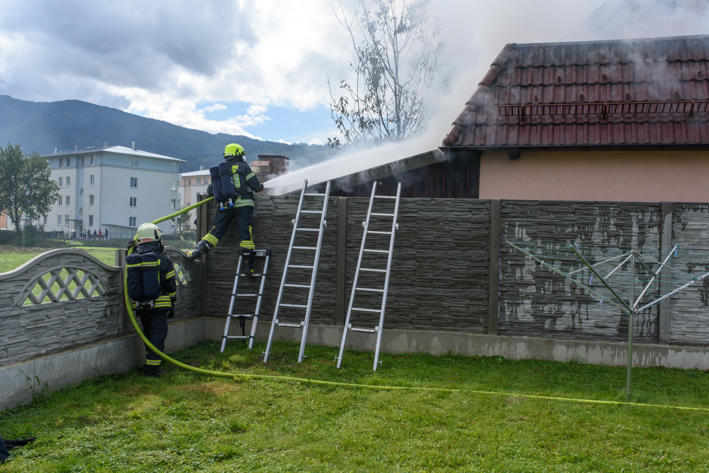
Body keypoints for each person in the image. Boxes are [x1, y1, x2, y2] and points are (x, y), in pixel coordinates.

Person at [186, 143, 264, 275]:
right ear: (238, 154)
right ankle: (247, 268)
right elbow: (256, 186)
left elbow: (211, 191)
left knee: (215, 232)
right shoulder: (244, 167)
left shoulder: (221, 170)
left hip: (225, 205)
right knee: (246, 236)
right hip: (244, 205)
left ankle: (194, 253)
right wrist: (261, 186)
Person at [128, 223, 177, 378]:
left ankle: (150, 364)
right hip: (159, 306)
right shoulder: (163, 259)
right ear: (157, 239)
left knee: (148, 335)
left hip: (140, 306)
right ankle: (152, 370)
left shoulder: (133, 258)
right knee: (158, 335)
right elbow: (170, 284)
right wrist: (172, 302)